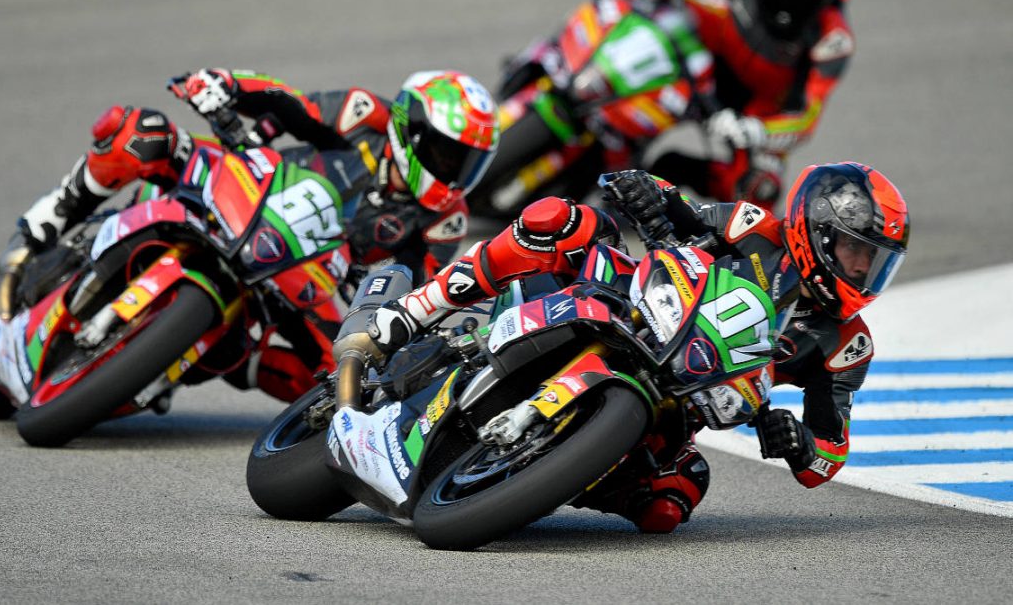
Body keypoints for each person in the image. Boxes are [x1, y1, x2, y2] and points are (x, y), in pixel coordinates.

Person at [361, 161, 909, 532]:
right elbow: (682, 210)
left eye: (878, 263)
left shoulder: (846, 344)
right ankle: (418, 310)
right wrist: (646, 191)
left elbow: (827, 458)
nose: (865, 272)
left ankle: (549, 473)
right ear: (820, 230)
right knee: (560, 220)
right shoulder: (753, 228)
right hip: (636, 305)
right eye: (859, 253)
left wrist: (797, 441)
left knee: (674, 500)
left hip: (691, 391)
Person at [0, 68, 499, 402]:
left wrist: (373, 311)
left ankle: (231, 361)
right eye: (448, 154)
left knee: (349, 370)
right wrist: (225, 86)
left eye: (468, 163)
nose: (454, 172)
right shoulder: (365, 113)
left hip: (304, 277)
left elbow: (419, 290)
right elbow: (287, 104)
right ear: (412, 131)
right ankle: (43, 225)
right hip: (245, 191)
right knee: (143, 132)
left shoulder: (444, 218)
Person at [571, 0, 854, 209]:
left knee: (761, 190)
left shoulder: (833, 39)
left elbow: (807, 118)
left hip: (757, 111)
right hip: (706, 58)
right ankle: (589, 98)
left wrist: (757, 130)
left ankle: (672, 176)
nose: (786, 6)